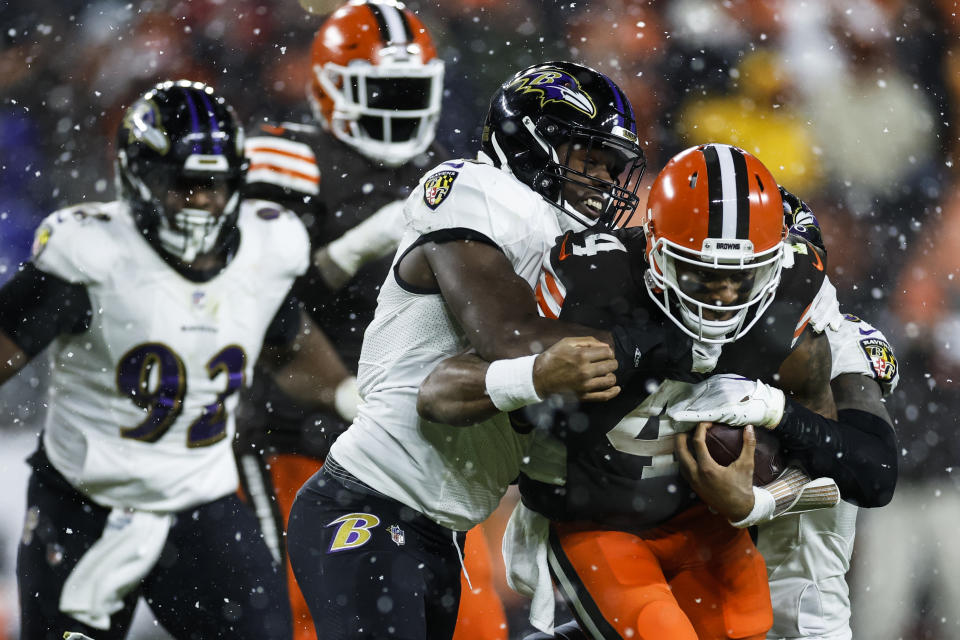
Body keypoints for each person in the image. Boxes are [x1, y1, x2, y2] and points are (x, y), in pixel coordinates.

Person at [418, 144, 897, 639]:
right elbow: (443, 393)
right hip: (596, 522)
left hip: (709, 528)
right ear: (654, 250)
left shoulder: (801, 317)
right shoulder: (594, 285)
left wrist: (760, 493)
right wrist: (540, 382)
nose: (724, 295)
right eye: (701, 272)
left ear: (779, 262)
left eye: (742, 276)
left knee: (744, 628)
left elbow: (853, 471)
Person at [285, 60, 653, 640]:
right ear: (534, 144)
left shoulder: (570, 242)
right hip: (368, 501)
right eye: (591, 159)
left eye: (613, 166)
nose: (606, 180)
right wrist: (649, 345)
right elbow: (504, 338)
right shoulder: (475, 189)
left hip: (440, 527)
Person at [0, 80, 350, 640]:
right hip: (83, 503)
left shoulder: (268, 246)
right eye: (186, 186)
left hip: (200, 502)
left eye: (217, 185)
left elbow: (289, 345)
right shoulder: (90, 252)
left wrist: (345, 393)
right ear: (140, 179)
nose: (205, 201)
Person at [239, 1, 510, 637]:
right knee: (313, 620)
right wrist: (345, 252)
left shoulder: (445, 170)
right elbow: (258, 298)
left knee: (475, 626)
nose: (397, 106)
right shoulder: (288, 158)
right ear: (333, 88)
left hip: (417, 442)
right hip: (300, 432)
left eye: (409, 91)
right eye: (382, 89)